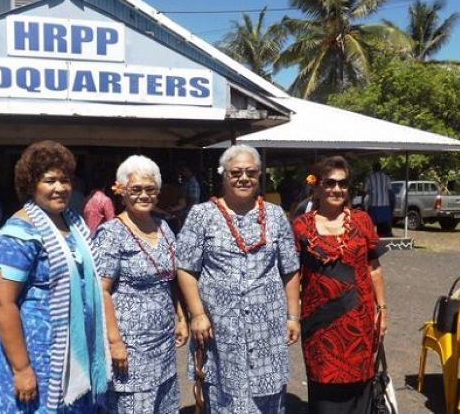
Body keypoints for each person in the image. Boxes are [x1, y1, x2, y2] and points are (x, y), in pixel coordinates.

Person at [176, 144, 300, 414]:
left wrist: (293, 316)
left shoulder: (276, 215)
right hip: (220, 330)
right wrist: (197, 314)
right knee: (223, 397)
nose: (243, 178)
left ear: (259, 176)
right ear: (224, 176)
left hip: (267, 328)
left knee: (268, 400)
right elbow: (185, 268)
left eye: (250, 172)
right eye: (236, 172)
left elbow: (290, 269)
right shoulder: (201, 215)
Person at [0, 140, 109, 413]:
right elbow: (0, 302)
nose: (60, 188)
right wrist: (22, 369)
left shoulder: (72, 223)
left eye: (65, 180)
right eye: (49, 180)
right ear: (31, 185)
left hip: (75, 354)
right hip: (39, 358)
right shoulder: (17, 234)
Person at [291, 156, 388, 413]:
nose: (337, 189)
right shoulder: (300, 226)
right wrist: (291, 315)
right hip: (321, 326)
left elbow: (374, 268)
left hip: (360, 320)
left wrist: (383, 309)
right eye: (330, 183)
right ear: (317, 187)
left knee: (360, 386)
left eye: (343, 184)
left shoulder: (362, 221)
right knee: (325, 390)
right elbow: (292, 276)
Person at [93, 155, 188, 414]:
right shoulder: (111, 233)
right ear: (122, 192)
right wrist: (114, 343)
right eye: (135, 190)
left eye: (150, 189)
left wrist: (181, 317)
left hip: (163, 340)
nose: (143, 195)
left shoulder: (164, 228)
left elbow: (172, 278)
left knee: (164, 405)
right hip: (130, 343)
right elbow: (100, 289)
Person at [82, 167, 115, 235]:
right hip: (98, 238)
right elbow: (112, 224)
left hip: (86, 236)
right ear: (106, 183)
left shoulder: (87, 199)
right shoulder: (105, 201)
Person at [363, 162, 393, 237]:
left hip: (373, 206)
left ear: (373, 169)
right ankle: (382, 244)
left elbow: (364, 191)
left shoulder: (369, 178)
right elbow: (390, 192)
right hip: (385, 206)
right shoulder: (387, 178)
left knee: (370, 227)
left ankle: (372, 243)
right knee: (383, 229)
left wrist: (362, 203)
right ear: (380, 168)